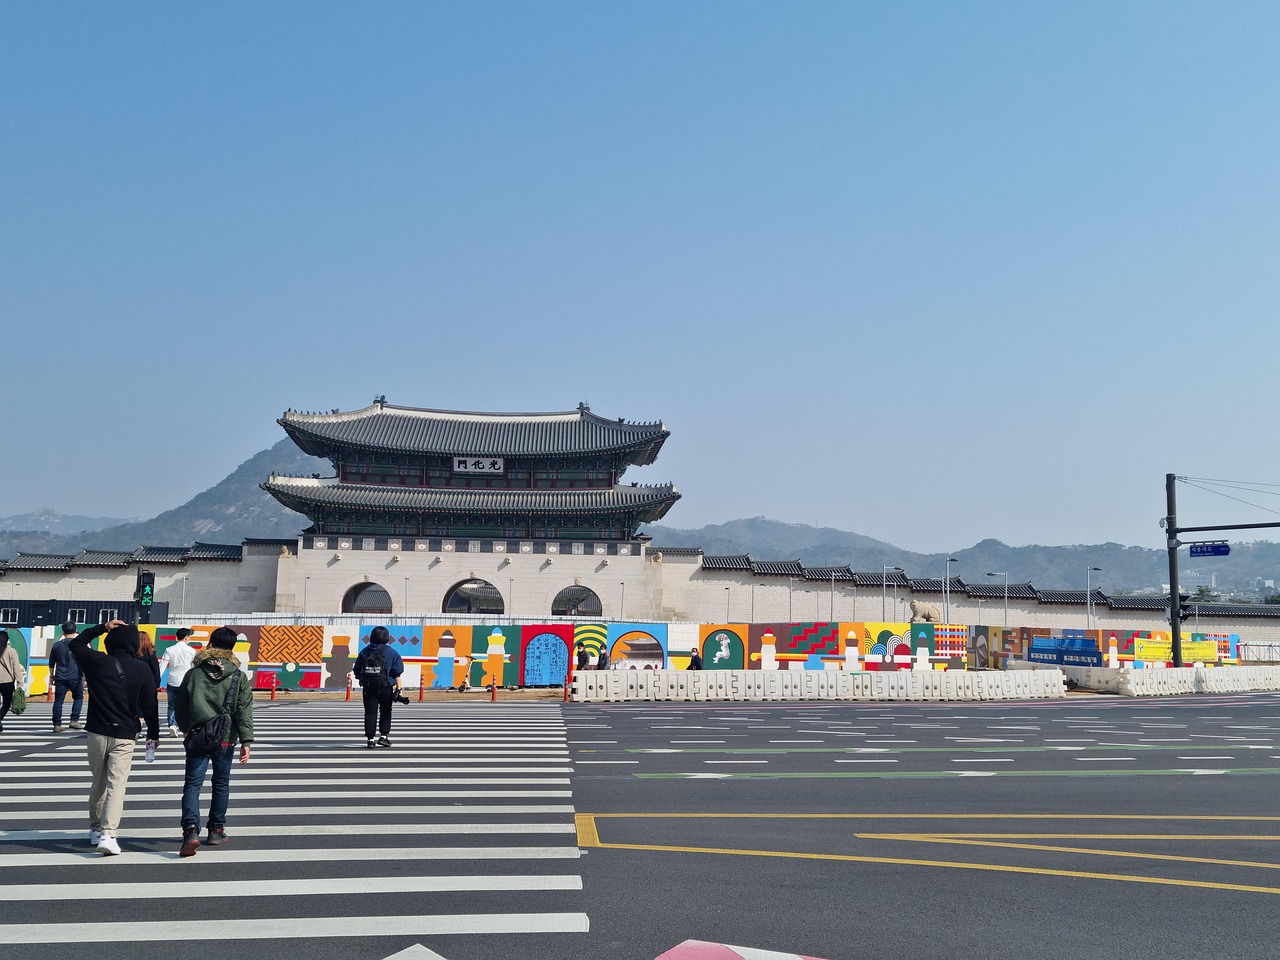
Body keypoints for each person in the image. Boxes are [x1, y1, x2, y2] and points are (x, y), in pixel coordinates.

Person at [69, 619, 161, 855]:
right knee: (116, 784)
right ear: (133, 644)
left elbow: (76, 643)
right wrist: (153, 734)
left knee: (98, 782)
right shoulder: (142, 669)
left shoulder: (97, 661)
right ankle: (108, 834)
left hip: (97, 732)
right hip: (125, 734)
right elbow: (150, 706)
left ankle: (94, 828)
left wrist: (102, 628)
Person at [174, 626, 253, 857]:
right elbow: (243, 710)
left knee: (192, 784)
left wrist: (186, 729)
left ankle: (190, 830)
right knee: (221, 783)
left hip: (198, 736)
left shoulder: (194, 673)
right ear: (232, 648)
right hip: (225, 738)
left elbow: (180, 704)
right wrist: (246, 741)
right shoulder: (238, 676)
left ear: (210, 644)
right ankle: (216, 831)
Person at [353, 625, 403, 749]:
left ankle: (370, 739)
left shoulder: (365, 651)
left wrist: (365, 678)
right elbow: (397, 672)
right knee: (385, 711)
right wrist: (399, 689)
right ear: (387, 637)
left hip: (369, 687)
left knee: (370, 712)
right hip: (386, 686)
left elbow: (357, 670)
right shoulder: (391, 652)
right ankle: (383, 736)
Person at [48, 621, 85, 732]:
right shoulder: (79, 644)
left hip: (60, 676)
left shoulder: (57, 645)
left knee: (58, 701)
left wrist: (51, 676)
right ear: (75, 631)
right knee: (78, 697)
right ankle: (74, 720)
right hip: (75, 676)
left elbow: (51, 663)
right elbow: (84, 661)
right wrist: (85, 676)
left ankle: (57, 724)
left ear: (63, 632)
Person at [160, 628, 197, 737]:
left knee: (171, 705)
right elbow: (194, 667)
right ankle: (185, 725)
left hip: (172, 680)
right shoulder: (192, 651)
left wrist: (158, 678)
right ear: (186, 638)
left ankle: (172, 725)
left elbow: (162, 665)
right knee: (186, 704)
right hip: (185, 680)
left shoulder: (169, 649)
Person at [0, 630, 27, 735]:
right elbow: (16, 668)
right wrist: (20, 683)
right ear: (7, 640)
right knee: (6, 703)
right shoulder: (11, 651)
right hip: (7, 681)